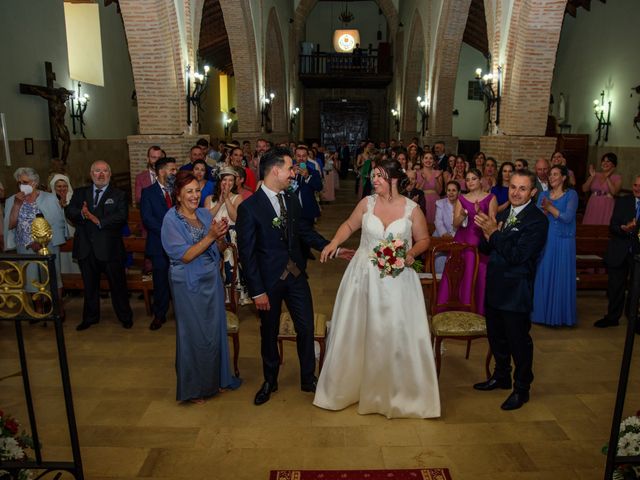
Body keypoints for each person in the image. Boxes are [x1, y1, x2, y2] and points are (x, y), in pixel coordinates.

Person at [313, 159, 440, 418]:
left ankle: (396, 391)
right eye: (373, 176)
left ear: (394, 178)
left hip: (399, 279)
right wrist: (333, 243)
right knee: (358, 329)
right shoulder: (367, 203)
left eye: (380, 176)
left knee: (393, 331)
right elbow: (349, 225)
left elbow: (424, 239)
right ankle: (350, 387)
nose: (374, 180)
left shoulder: (412, 209)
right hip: (363, 275)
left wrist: (410, 254)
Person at [236, 147, 351, 406]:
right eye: (290, 168)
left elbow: (303, 232)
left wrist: (332, 248)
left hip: (296, 275)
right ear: (275, 170)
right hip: (268, 282)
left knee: (306, 327)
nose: (293, 173)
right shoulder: (250, 208)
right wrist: (257, 291)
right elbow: (247, 255)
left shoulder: (289, 198)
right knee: (269, 332)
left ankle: (307, 377)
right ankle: (270, 379)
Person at [161, 171, 241, 403]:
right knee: (193, 335)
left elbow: (217, 245)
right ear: (178, 195)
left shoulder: (204, 215)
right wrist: (210, 237)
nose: (195, 196)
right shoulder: (171, 220)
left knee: (213, 331)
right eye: (189, 192)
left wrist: (220, 238)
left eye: (197, 190)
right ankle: (194, 388)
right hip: (188, 283)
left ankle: (216, 379)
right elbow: (185, 255)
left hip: (210, 281)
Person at [473, 170, 549, 410]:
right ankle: (501, 376)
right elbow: (486, 249)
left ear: (533, 192)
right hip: (495, 285)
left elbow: (518, 256)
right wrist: (486, 233)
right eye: (513, 187)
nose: (515, 192)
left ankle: (522, 388)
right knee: (496, 337)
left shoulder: (537, 220)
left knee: (518, 341)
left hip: (516, 290)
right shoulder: (504, 212)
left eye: (522, 188)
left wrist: (494, 232)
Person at [66, 161, 133, 331]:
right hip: (86, 248)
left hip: (110, 249)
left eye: (105, 171)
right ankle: (90, 317)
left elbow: (121, 217)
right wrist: (83, 213)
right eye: (97, 171)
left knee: (118, 286)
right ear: (91, 174)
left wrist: (98, 220)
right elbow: (70, 211)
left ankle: (125, 316)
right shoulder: (80, 193)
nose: (101, 174)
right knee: (90, 287)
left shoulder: (118, 194)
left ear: (110, 175)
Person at [4, 167, 67, 314]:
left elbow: (57, 222)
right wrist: (17, 205)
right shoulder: (12, 200)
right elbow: (11, 225)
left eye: (25, 182)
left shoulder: (50, 198)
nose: (21, 185)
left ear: (35, 183)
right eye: (19, 182)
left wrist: (43, 239)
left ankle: (57, 307)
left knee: (53, 275)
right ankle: (38, 309)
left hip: (48, 243)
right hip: (24, 245)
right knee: (30, 278)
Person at [437, 168, 497, 315]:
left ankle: (477, 309)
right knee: (459, 273)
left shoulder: (490, 198)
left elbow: (493, 223)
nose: (470, 182)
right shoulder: (461, 199)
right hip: (462, 241)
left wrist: (479, 213)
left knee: (479, 274)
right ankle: (456, 307)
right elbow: (455, 224)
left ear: (480, 180)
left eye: (473, 179)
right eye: (468, 179)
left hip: (480, 242)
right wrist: (463, 215)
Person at [532, 165, 578, 327]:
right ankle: (541, 314)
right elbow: (538, 218)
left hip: (564, 241)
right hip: (547, 239)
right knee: (544, 273)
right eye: (550, 174)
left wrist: (550, 208)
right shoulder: (543, 194)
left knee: (561, 275)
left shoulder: (571, 195)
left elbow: (567, 217)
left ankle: (560, 316)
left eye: (555, 174)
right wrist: (543, 212)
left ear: (564, 177)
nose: (551, 177)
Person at [594, 175, 640, 329]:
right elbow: (613, 226)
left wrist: (637, 231)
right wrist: (624, 229)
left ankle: (633, 319)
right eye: (635, 184)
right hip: (619, 250)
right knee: (615, 287)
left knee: (636, 287)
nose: (637, 188)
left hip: (637, 253)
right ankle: (612, 317)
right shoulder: (623, 201)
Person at [140, 157, 178, 331]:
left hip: (179, 245)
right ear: (162, 171)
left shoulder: (178, 191)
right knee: (161, 282)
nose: (174, 173)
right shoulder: (148, 193)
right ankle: (159, 314)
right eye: (172, 169)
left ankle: (181, 314)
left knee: (179, 281)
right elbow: (148, 219)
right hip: (158, 244)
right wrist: (168, 231)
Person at [582, 152, 622, 225]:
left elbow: (614, 192)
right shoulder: (595, 174)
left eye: (608, 161)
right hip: (593, 203)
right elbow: (584, 189)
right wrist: (592, 176)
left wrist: (607, 177)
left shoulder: (617, 177)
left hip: (607, 205)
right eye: (603, 161)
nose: (605, 163)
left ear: (613, 164)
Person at [433, 180, 461, 273]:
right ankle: (440, 280)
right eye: (449, 190)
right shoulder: (440, 203)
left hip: (457, 235)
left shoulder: (463, 204)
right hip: (441, 235)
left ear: (458, 192)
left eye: (454, 190)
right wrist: (444, 234)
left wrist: (453, 235)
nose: (451, 193)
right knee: (440, 256)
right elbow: (438, 221)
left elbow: (462, 223)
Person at [416, 151, 443, 223]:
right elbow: (417, 191)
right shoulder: (417, 173)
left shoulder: (438, 173)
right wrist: (424, 180)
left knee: (435, 223)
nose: (428, 160)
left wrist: (437, 179)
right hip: (422, 201)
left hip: (435, 200)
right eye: (426, 158)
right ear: (422, 160)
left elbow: (439, 191)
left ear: (434, 161)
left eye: (431, 158)